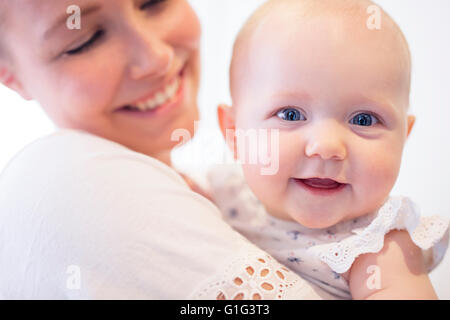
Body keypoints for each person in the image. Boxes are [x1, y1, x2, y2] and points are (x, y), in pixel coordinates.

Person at [0, 0, 330, 299]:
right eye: (85, 39)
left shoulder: (230, 192)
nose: (157, 57)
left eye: (154, 2)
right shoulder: (62, 183)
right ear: (9, 74)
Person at [213, 0, 449, 299]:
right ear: (234, 135)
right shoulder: (222, 192)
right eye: (291, 114)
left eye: (363, 119)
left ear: (403, 138)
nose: (326, 147)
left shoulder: (377, 246)